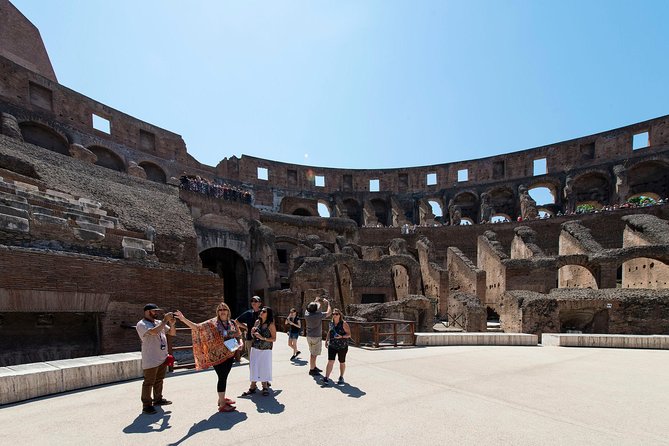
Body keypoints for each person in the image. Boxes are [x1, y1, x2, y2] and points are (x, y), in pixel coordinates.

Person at [174, 303, 243, 413]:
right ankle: (222, 405)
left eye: (224, 309)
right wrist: (183, 319)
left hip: (230, 355)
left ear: (228, 311)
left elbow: (238, 335)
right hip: (216, 357)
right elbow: (197, 327)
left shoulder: (233, 323)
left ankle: (221, 398)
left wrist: (241, 343)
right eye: (220, 309)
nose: (222, 311)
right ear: (217, 312)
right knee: (222, 378)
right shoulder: (212, 323)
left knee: (224, 377)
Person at [136, 303, 176, 415]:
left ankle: (158, 399)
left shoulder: (159, 323)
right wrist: (164, 320)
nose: (156, 313)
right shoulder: (141, 324)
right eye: (154, 311)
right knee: (148, 382)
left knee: (159, 380)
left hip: (162, 357)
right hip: (150, 358)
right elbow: (153, 332)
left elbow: (172, 333)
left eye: (157, 311)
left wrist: (172, 324)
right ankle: (146, 405)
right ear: (147, 312)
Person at [243, 306, 276, 396]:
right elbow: (253, 334)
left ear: (268, 314)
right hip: (255, 348)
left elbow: (274, 339)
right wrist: (252, 332)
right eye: (261, 310)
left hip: (266, 350)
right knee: (254, 367)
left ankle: (264, 387)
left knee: (264, 367)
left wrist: (263, 338)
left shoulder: (270, 324)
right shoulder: (257, 322)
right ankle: (252, 386)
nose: (261, 312)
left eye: (264, 311)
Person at [322, 309, 351, 386]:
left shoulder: (344, 324)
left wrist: (341, 336)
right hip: (332, 345)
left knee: (342, 362)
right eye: (333, 314)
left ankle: (341, 377)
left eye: (336, 314)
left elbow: (349, 335)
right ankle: (326, 377)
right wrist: (326, 340)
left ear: (340, 315)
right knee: (330, 361)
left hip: (342, 346)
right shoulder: (331, 323)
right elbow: (329, 331)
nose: (334, 315)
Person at [304, 297, 331, 376]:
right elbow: (329, 312)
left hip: (309, 336)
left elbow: (311, 308)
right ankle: (312, 370)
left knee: (312, 353)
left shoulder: (306, 314)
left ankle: (314, 366)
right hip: (316, 337)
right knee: (314, 354)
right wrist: (328, 303)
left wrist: (315, 301)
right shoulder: (318, 315)